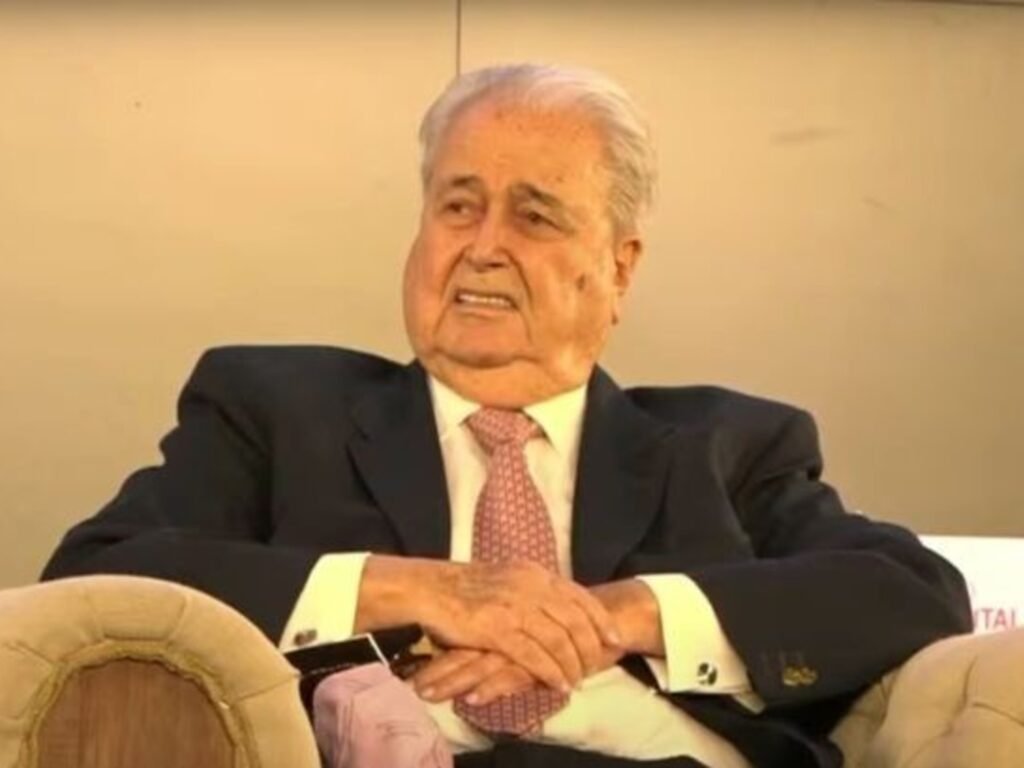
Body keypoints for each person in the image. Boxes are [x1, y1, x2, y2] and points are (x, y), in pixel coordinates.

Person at [42, 64, 971, 768]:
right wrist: (425, 592)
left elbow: (915, 591)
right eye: (458, 206)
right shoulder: (278, 410)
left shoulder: (726, 445)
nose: (483, 247)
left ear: (619, 268)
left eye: (534, 217)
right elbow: (97, 574)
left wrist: (617, 618)